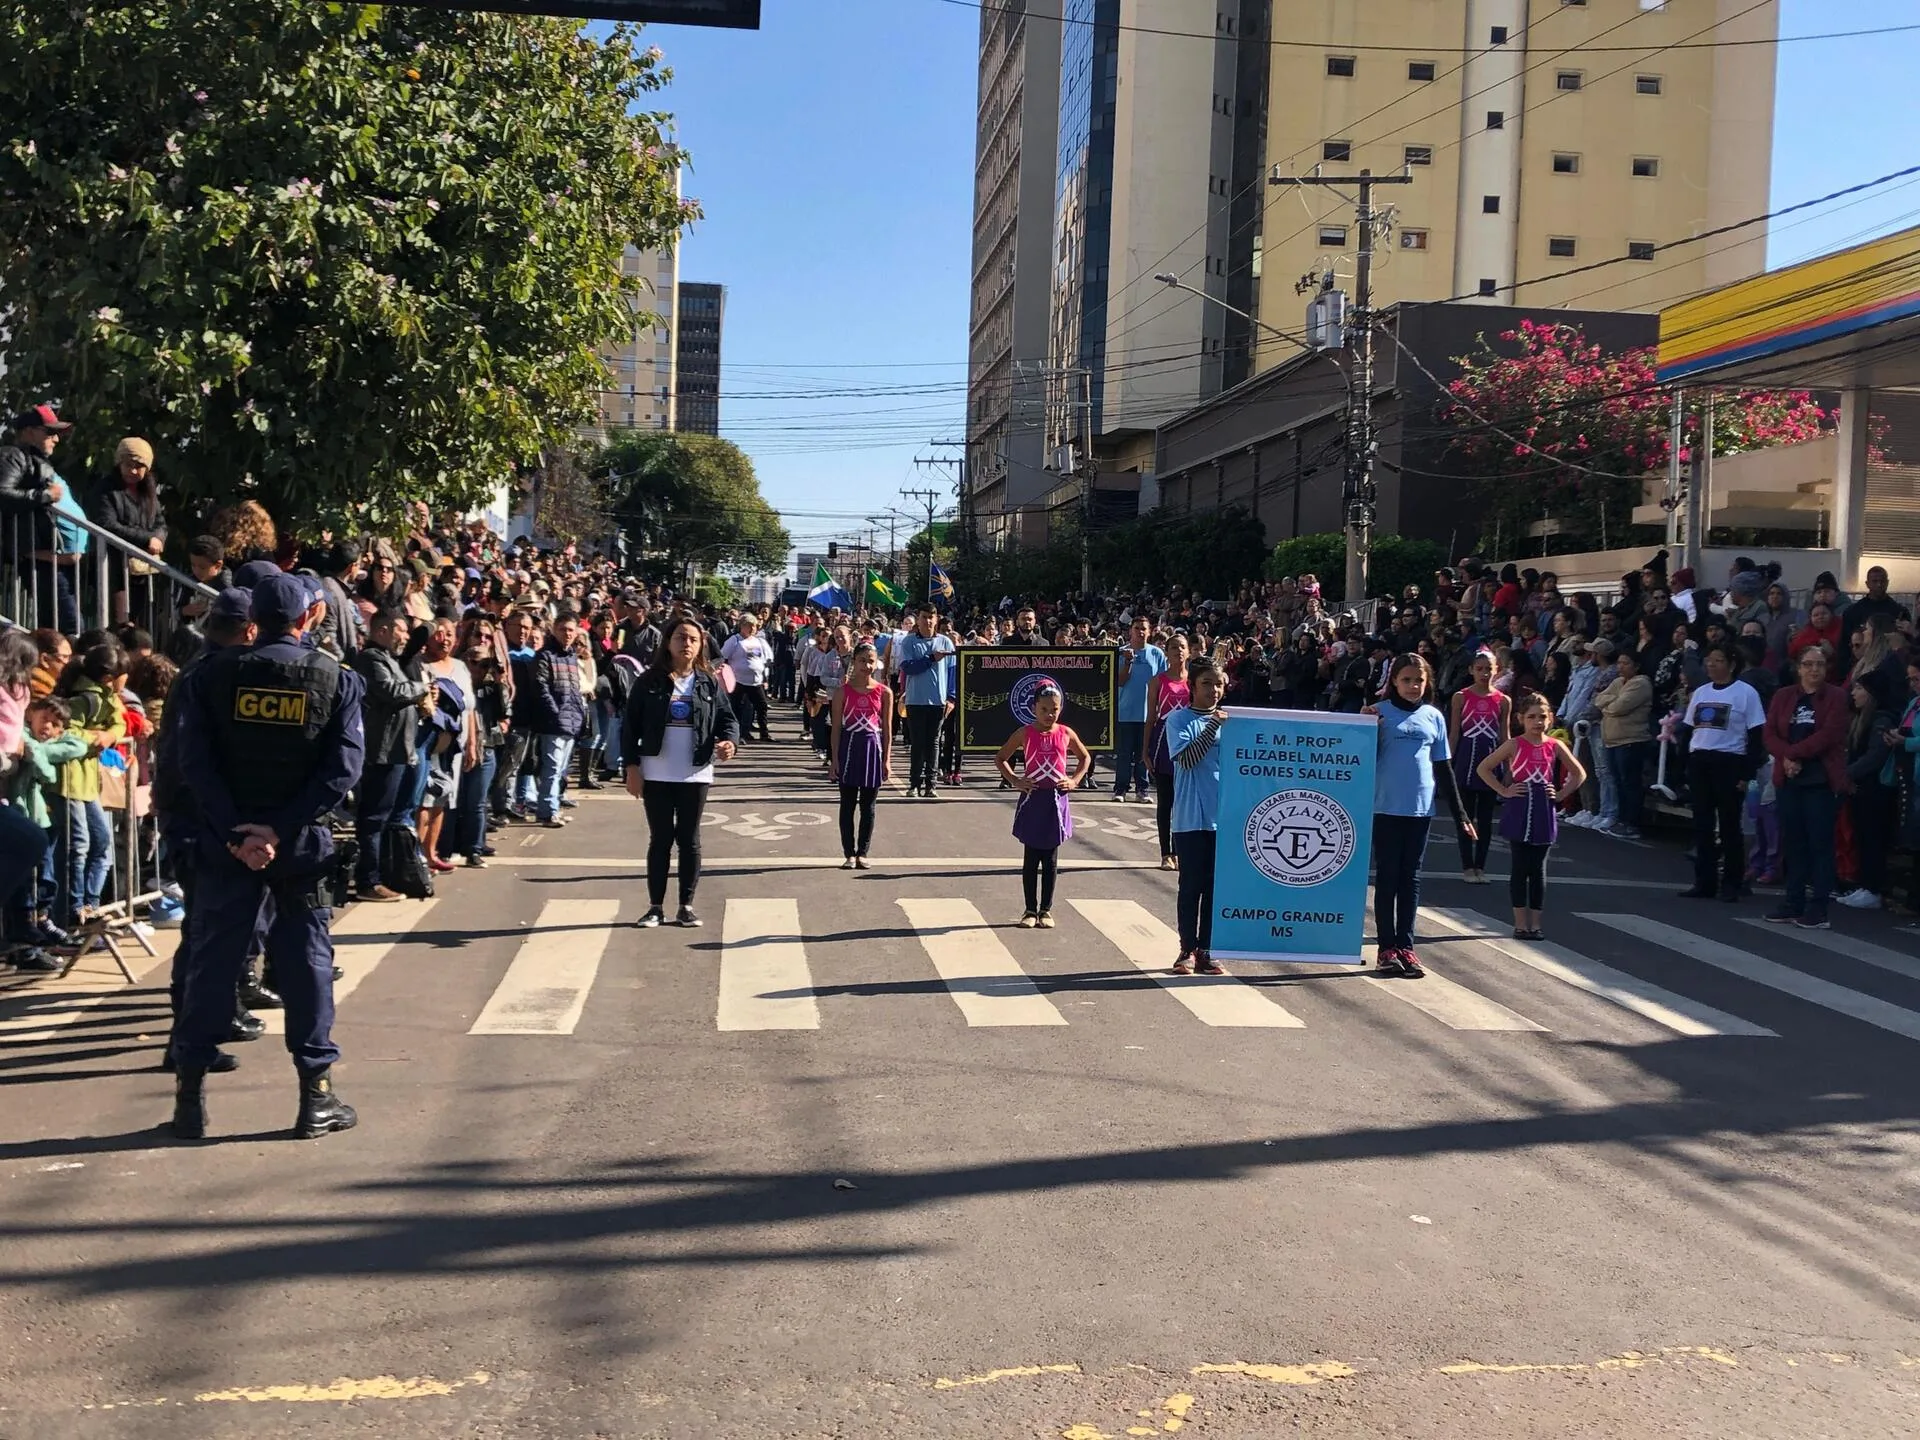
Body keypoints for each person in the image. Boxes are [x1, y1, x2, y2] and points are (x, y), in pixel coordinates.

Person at [168, 572, 366, 1140]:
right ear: (308, 619)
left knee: (213, 962)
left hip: (226, 841)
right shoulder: (335, 679)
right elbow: (343, 770)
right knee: (306, 964)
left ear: (254, 620)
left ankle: (189, 1101)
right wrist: (277, 828)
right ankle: (315, 1098)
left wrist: (238, 831)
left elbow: (194, 764)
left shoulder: (211, 674)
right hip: (299, 842)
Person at [624, 616, 739, 928]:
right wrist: (631, 766)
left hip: (696, 771)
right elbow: (629, 724)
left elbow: (727, 719)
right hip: (656, 771)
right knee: (660, 839)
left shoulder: (708, 681)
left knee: (689, 840)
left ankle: (686, 905)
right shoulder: (649, 681)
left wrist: (730, 742)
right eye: (680, 637)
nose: (686, 643)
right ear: (668, 642)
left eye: (692, 639)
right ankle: (655, 907)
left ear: (701, 644)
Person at [1369, 653, 1471, 979]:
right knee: (1387, 878)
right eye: (1406, 680)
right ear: (1393, 682)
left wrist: (1461, 815)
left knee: (1410, 879)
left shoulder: (1433, 716)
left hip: (1420, 810)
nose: (1413, 686)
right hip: (1385, 808)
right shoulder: (1378, 713)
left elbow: (1443, 767)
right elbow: (1360, 759)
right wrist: (1365, 729)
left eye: (1419, 680)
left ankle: (1406, 946)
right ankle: (1386, 948)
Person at [1477, 693, 1586, 940]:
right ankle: (1519, 922)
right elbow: (1483, 768)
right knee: (1520, 867)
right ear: (1521, 719)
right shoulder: (1513, 744)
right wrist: (1504, 790)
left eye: (1542, 717)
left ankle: (1535, 924)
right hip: (1519, 806)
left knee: (1538, 869)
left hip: (1543, 809)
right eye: (1532, 717)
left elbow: (1579, 774)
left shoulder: (1555, 745)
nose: (1537, 722)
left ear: (1550, 719)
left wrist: (1559, 795)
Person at [1762, 646, 1848, 930]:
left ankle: (1819, 907)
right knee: (1794, 843)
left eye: (1820, 665)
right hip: (1789, 778)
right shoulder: (1784, 696)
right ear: (1799, 668)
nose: (1814, 670)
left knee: (1819, 845)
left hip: (1819, 779)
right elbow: (1770, 733)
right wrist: (1786, 757)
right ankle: (1793, 901)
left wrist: (1794, 755)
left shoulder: (1836, 697)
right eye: (1809, 664)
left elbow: (1829, 735)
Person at [994, 683, 1091, 929]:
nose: (1050, 714)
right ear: (1034, 708)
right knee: (1031, 857)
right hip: (1032, 799)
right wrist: (1015, 780)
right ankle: (1029, 909)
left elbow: (1084, 757)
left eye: (1055, 709)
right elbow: (1001, 757)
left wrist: (1074, 780)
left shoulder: (1066, 733)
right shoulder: (1025, 733)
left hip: (1056, 802)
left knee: (1050, 859)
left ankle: (1045, 910)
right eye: (1045, 709)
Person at [352, 610, 433, 900]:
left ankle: (383, 872)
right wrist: (421, 688)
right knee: (374, 817)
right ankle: (368, 881)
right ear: (383, 630)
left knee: (384, 816)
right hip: (382, 751)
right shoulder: (371, 659)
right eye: (402, 631)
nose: (406, 637)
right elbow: (390, 690)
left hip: (397, 750)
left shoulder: (389, 660)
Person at [1677, 644, 1767, 902]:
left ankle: (1732, 882)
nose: (1711, 665)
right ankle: (1703, 881)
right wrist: (1684, 764)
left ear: (1731, 663)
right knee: (1702, 824)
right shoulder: (1702, 692)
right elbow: (1689, 729)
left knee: (1729, 825)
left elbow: (1755, 734)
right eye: (1709, 661)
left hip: (1730, 761)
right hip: (1701, 759)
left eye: (1718, 660)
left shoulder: (1745, 693)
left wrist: (1746, 773)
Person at [1166, 657, 1226, 975]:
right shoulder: (1178, 720)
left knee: (1216, 886)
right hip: (1190, 817)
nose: (1213, 690)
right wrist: (1214, 725)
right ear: (1192, 686)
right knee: (1191, 885)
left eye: (1218, 684)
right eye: (1206, 683)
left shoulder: (1234, 722)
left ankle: (1207, 949)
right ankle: (1186, 948)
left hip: (1223, 816)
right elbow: (1187, 759)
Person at [0, 404, 79, 634]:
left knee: (56, 625)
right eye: (49, 432)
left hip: (52, 555)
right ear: (28, 432)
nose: (56, 439)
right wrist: (46, 495)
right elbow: (2, 494)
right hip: (38, 555)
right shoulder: (13, 455)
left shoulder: (36, 459)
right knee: (70, 626)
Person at [1835, 678, 1898, 911]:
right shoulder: (1860, 720)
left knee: (1872, 838)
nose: (1853, 693)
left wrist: (1847, 774)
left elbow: (1874, 756)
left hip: (1875, 789)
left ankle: (1873, 888)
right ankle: (1864, 884)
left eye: (1859, 689)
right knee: (1862, 836)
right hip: (1860, 788)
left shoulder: (1881, 719)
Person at [830, 641, 893, 869]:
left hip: (872, 751)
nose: (867, 665)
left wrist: (886, 760)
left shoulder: (884, 692)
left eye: (871, 660)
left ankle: (863, 851)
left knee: (869, 806)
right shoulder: (842, 692)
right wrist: (834, 760)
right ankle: (848, 852)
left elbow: (887, 729)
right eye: (862, 660)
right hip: (849, 749)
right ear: (854, 662)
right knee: (847, 804)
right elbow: (836, 728)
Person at [1447, 648, 1508, 883]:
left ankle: (1480, 867)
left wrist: (1510, 768)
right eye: (1480, 669)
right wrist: (1447, 764)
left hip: (1491, 763)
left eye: (1489, 670)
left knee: (1485, 819)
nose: (1484, 674)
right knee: (1466, 817)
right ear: (1471, 670)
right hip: (1466, 760)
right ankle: (1467, 866)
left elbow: (1505, 736)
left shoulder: (1503, 700)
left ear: (1497, 671)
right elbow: (1455, 733)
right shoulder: (1460, 697)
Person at [530, 606, 587, 828]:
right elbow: (541, 686)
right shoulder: (545, 655)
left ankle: (552, 807)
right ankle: (547, 811)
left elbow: (575, 689)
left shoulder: (571, 657)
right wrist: (554, 712)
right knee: (551, 769)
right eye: (563, 629)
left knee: (561, 770)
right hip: (553, 722)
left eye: (571, 630)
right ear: (554, 630)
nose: (567, 634)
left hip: (571, 720)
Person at [893, 604, 955, 799]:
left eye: (931, 617)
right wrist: (930, 658)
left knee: (934, 743)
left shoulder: (946, 642)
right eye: (924, 617)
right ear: (918, 620)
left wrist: (951, 698)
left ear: (936, 620)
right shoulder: (909, 642)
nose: (928, 621)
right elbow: (908, 667)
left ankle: (931, 784)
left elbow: (953, 672)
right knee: (918, 743)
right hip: (915, 700)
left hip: (938, 701)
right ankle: (914, 783)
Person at [1146, 633, 1192, 870]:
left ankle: (1181, 850)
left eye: (1182, 647)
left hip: (1189, 739)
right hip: (1164, 739)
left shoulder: (1194, 681)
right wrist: (1145, 750)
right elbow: (1151, 717)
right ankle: (1166, 852)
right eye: (1173, 647)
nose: (1178, 651)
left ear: (1189, 651)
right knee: (1166, 801)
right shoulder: (1158, 681)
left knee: (1184, 802)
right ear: (1167, 652)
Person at [1112, 616, 1166, 803]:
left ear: (1149, 631)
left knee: (1144, 754)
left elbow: (1162, 683)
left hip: (1147, 714)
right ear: (1130, 631)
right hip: (1125, 712)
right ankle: (1120, 789)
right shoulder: (1120, 653)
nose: (1140, 632)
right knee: (1124, 754)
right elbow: (1119, 681)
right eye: (1137, 628)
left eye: (1144, 628)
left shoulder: (1157, 654)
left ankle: (1142, 790)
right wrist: (1128, 663)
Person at [720, 613, 774, 743]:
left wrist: (765, 677)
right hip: (738, 681)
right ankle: (737, 735)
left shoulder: (759, 641)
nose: (752, 629)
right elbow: (723, 656)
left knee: (762, 707)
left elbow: (768, 659)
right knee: (737, 708)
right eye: (749, 626)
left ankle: (764, 733)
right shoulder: (735, 640)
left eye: (754, 626)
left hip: (756, 681)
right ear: (742, 626)